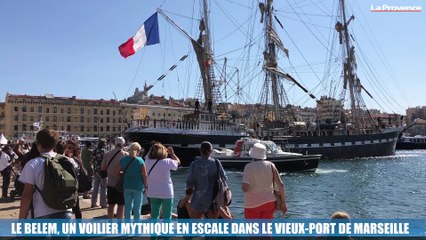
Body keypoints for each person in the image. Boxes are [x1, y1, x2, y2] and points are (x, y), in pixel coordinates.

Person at [18, 129, 73, 218]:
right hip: (66, 210)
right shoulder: (67, 161)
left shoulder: (33, 164)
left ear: (38, 144)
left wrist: (21, 218)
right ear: (55, 144)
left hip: (42, 212)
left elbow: (27, 194)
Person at [242, 143, 287, 219]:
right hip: (269, 202)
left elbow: (245, 188)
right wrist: (283, 203)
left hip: (252, 203)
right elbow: (281, 185)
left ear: (252, 155)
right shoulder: (271, 165)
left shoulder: (249, 167)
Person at [186, 141, 227, 219]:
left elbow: (189, 183)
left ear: (200, 150)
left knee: (195, 225)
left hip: (198, 198)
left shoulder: (194, 164)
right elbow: (224, 178)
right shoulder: (216, 163)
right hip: (213, 199)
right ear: (211, 151)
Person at [145, 143, 180, 219]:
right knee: (167, 215)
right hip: (166, 192)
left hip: (152, 191)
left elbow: (147, 156)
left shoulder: (147, 161)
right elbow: (178, 162)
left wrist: (153, 149)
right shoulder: (167, 161)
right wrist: (172, 154)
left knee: (154, 214)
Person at [101, 136, 128, 219]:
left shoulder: (107, 154)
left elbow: (102, 167)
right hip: (121, 184)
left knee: (111, 205)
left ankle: (110, 224)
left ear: (115, 144)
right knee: (121, 205)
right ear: (123, 144)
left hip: (111, 183)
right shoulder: (125, 155)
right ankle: (119, 226)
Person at [119, 142, 147, 220]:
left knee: (127, 208)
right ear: (138, 150)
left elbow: (118, 171)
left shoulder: (124, 159)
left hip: (127, 186)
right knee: (137, 208)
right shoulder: (140, 161)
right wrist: (146, 186)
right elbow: (145, 175)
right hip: (138, 187)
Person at [64, 140, 83, 219]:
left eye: (70, 148)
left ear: (74, 149)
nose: (67, 149)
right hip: (67, 186)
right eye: (66, 148)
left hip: (72, 186)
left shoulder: (74, 160)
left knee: (76, 208)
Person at [91, 139, 107, 208]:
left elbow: (92, 160)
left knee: (95, 188)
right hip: (102, 171)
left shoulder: (94, 151)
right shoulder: (103, 151)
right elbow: (105, 161)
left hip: (95, 171)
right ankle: (103, 204)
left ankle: (93, 203)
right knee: (103, 188)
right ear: (104, 144)